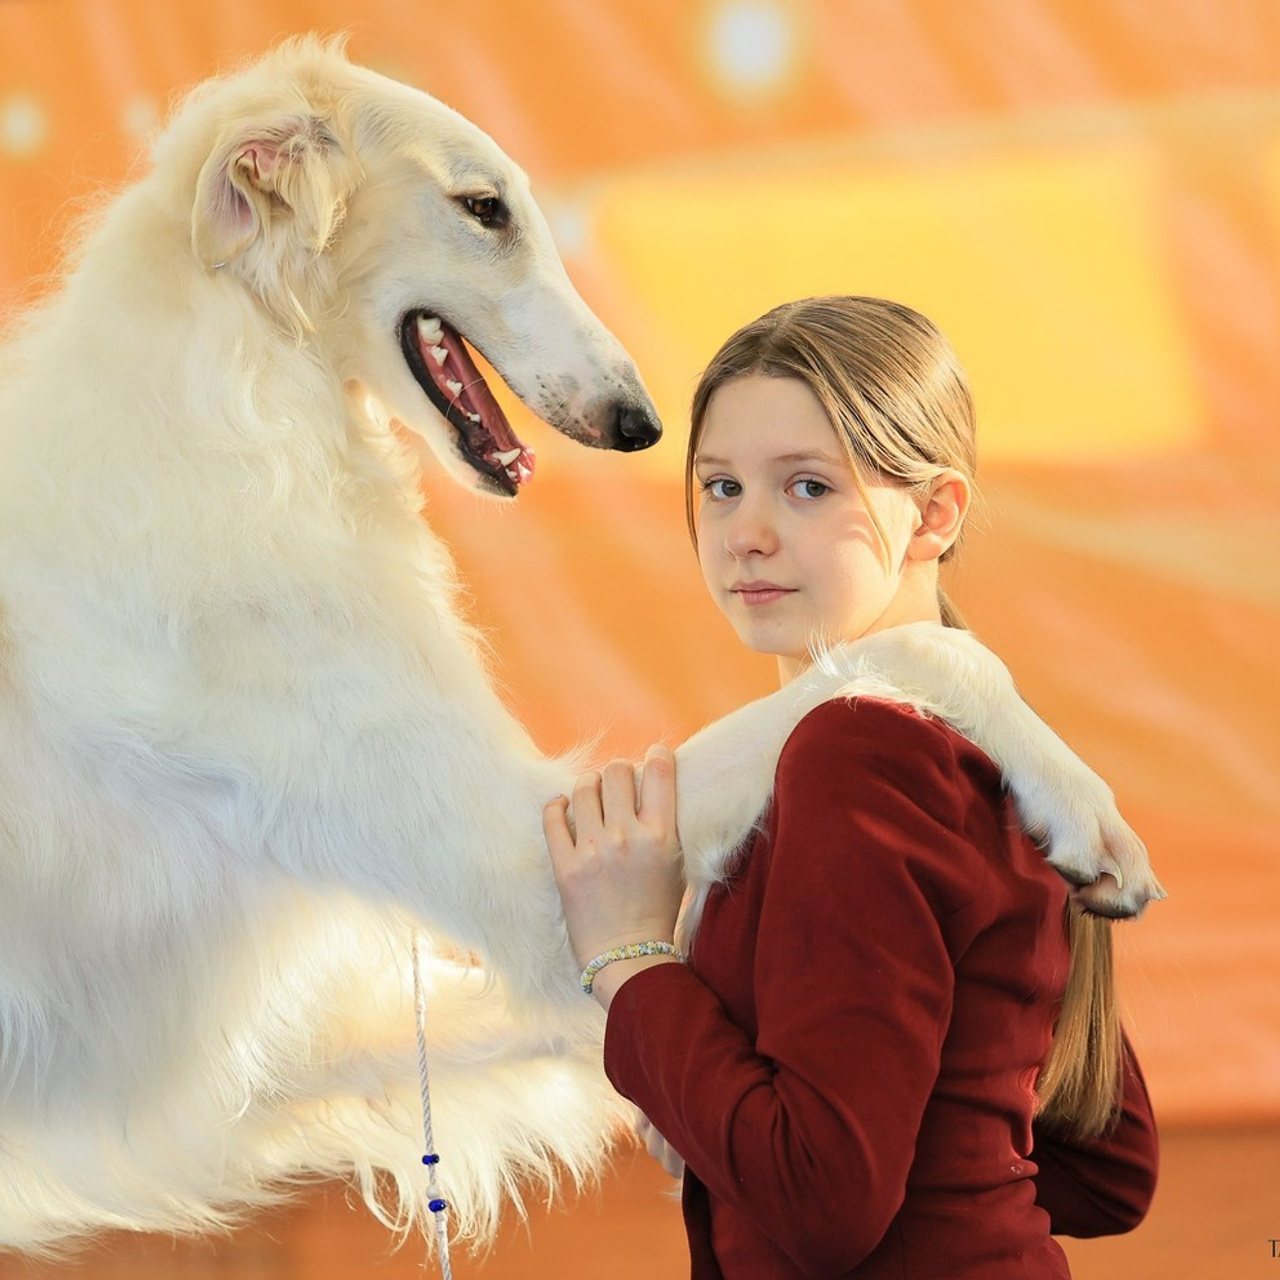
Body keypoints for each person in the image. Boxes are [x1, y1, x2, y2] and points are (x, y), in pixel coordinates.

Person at [543, 296, 1158, 1278]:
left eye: (807, 487)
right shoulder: (994, 761)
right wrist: (726, 1113)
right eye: (720, 486)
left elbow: (819, 1199)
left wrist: (630, 962)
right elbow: (1104, 1165)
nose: (745, 533)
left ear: (935, 513)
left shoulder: (857, 751)